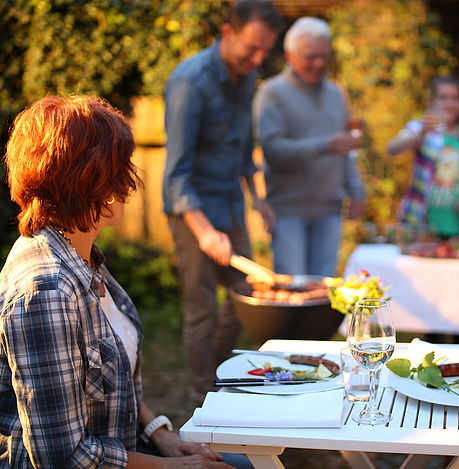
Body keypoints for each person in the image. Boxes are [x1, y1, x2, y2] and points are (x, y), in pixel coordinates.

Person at [0, 95, 251, 467]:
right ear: (87, 180)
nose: (129, 181)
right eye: (118, 168)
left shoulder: (83, 257)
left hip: (123, 447)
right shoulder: (46, 291)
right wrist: (169, 467)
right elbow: (61, 457)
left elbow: (111, 381)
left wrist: (161, 436)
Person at [162, 0, 283, 400]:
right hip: (192, 211)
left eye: (266, 50)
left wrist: (257, 197)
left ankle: (219, 381)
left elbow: (244, 146)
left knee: (246, 296)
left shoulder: (246, 76)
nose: (259, 58)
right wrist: (204, 231)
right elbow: (176, 172)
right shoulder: (189, 82)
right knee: (203, 312)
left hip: (230, 203)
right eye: (252, 48)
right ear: (228, 33)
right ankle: (202, 397)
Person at [253, 16, 365, 277]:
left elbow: (345, 149)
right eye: (311, 56)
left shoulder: (336, 93)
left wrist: (356, 189)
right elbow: (273, 150)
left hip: (330, 210)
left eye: (324, 56)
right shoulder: (272, 93)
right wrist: (325, 145)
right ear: (290, 55)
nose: (319, 63)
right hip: (288, 211)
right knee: (295, 289)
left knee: (323, 292)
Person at [387, 76, 459, 239]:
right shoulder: (420, 129)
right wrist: (421, 132)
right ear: (431, 102)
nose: (450, 104)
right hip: (420, 225)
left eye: (455, 99)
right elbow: (392, 148)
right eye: (443, 98)